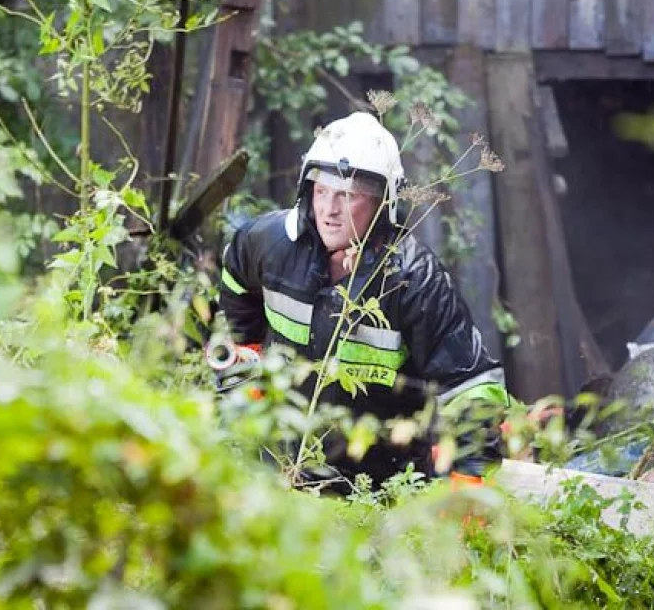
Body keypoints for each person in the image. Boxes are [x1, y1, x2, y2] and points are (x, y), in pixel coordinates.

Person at [217, 111, 509, 491]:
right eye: (321, 191)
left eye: (348, 195)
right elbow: (235, 275)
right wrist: (245, 353)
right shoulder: (270, 243)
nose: (329, 210)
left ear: (382, 202)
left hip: (379, 487)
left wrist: (467, 483)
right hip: (279, 470)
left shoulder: (413, 279)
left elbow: (472, 384)